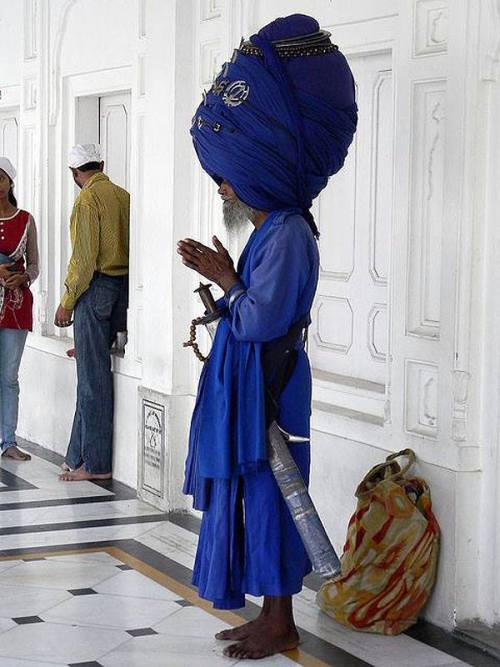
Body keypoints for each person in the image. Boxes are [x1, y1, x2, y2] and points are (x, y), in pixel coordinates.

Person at [177, 14, 357, 660]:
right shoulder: (272, 229)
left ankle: (280, 623)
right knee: (259, 502)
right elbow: (248, 311)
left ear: (259, 172)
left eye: (227, 176)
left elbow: (260, 321)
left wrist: (223, 276)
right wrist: (224, 277)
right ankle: (267, 616)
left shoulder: (287, 234)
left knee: (277, 503)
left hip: (272, 395)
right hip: (253, 391)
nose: (223, 186)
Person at [55, 144, 130, 482]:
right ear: (101, 163)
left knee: (92, 382)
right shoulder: (123, 195)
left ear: (74, 173)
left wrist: (66, 302)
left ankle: (96, 464)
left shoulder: (86, 200)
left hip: (95, 290)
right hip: (121, 290)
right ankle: (76, 455)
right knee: (90, 373)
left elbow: (84, 261)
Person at [0, 157, 39, 461]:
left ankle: (8, 441)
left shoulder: (26, 219)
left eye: (1, 178)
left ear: (10, 182)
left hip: (16, 305)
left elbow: (35, 264)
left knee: (9, 376)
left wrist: (24, 276)